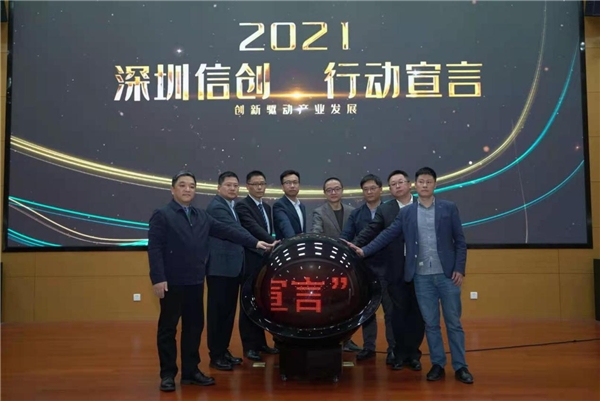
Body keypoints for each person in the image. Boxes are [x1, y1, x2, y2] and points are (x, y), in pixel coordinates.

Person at [147, 170, 274, 392]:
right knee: (168, 329)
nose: (187, 189)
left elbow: (228, 231)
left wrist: (255, 243)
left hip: (196, 281)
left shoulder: (201, 215)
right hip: (172, 282)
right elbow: (155, 248)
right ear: (173, 189)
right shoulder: (162, 214)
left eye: (191, 186)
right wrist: (158, 278)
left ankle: (190, 372)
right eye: (182, 185)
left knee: (194, 328)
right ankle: (167, 374)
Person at [345, 167, 474, 384]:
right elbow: (386, 235)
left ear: (434, 185)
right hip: (421, 277)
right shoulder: (407, 213)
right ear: (416, 184)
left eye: (428, 182)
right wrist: (363, 251)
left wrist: (459, 269)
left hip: (447, 276)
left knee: (453, 323)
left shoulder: (449, 208)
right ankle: (437, 364)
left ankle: (461, 367)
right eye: (421, 181)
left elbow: (460, 241)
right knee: (430, 324)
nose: (425, 185)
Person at [353, 170, 424, 371]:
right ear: (389, 189)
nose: (397, 186)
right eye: (393, 184)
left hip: (421, 269)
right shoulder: (386, 209)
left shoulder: (423, 205)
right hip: (396, 269)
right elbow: (371, 231)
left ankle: (413, 354)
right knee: (397, 314)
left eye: (400, 182)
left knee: (417, 314)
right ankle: (399, 354)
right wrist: (353, 246)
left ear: (409, 184)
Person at [340, 174, 394, 361]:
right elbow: (346, 237)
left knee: (390, 312)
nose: (369, 192)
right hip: (365, 270)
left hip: (388, 268)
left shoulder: (391, 211)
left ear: (381, 189)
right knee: (367, 312)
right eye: (366, 189)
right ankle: (368, 347)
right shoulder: (356, 214)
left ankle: (392, 349)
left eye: (373, 188)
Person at [235, 170, 279, 361]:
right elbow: (253, 228)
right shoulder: (242, 206)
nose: (260, 187)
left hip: (264, 260)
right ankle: (249, 346)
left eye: (262, 183)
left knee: (261, 303)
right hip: (250, 259)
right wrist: (272, 242)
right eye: (255, 184)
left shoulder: (267, 207)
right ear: (248, 186)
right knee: (247, 304)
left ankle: (261, 343)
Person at [206, 171, 247, 371]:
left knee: (228, 314)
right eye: (228, 185)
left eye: (235, 185)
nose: (232, 188)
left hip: (231, 269)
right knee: (217, 314)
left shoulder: (231, 206)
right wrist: (258, 243)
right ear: (219, 188)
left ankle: (223, 350)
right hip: (219, 269)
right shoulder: (216, 207)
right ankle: (216, 355)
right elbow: (234, 231)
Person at [273, 169, 306, 240]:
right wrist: (295, 242)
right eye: (288, 183)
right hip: (287, 245)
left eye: (295, 182)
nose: (292, 186)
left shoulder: (301, 206)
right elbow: (285, 227)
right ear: (282, 187)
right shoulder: (279, 205)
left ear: (299, 185)